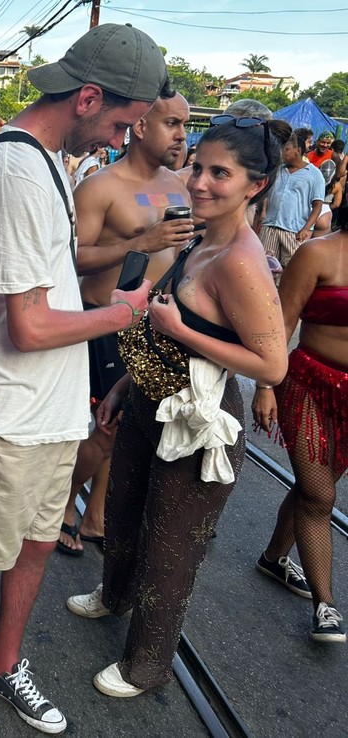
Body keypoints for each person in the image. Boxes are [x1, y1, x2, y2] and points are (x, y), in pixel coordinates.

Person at [0, 23, 164, 737]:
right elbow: (27, 326)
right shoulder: (11, 169)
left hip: (51, 409)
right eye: (122, 123)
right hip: (8, 413)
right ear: (89, 97)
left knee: (36, 546)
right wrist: (127, 312)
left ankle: (2, 667)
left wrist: (134, 246)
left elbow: (58, 262)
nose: (122, 139)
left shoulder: (45, 165)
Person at [67, 116, 289, 697]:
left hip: (198, 426)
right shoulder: (199, 235)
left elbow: (271, 365)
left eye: (221, 173)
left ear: (255, 186)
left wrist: (178, 329)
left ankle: (146, 665)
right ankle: (113, 594)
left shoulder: (241, 260)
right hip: (149, 399)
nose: (200, 182)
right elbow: (161, 325)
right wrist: (122, 388)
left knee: (169, 546)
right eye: (198, 167)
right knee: (121, 506)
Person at [57, 93, 193, 556]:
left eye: (184, 125)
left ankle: (95, 514)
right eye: (172, 123)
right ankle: (59, 504)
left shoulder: (179, 186)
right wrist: (143, 240)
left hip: (154, 328)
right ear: (139, 126)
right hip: (103, 325)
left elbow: (179, 256)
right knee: (105, 428)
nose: (181, 135)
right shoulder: (100, 186)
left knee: (129, 429)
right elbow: (71, 258)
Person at [252, 230, 348, 644]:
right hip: (309, 384)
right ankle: (325, 606)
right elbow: (282, 323)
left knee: (314, 489)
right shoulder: (317, 253)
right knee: (319, 496)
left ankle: (274, 557)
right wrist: (263, 385)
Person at [259, 128, 324, 270]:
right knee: (265, 267)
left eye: (287, 149)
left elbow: (318, 205)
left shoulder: (314, 174)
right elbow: (267, 193)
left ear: (298, 150)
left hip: (294, 231)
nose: (283, 153)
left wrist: (307, 228)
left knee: (291, 269)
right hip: (270, 227)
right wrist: (263, 213)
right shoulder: (278, 170)